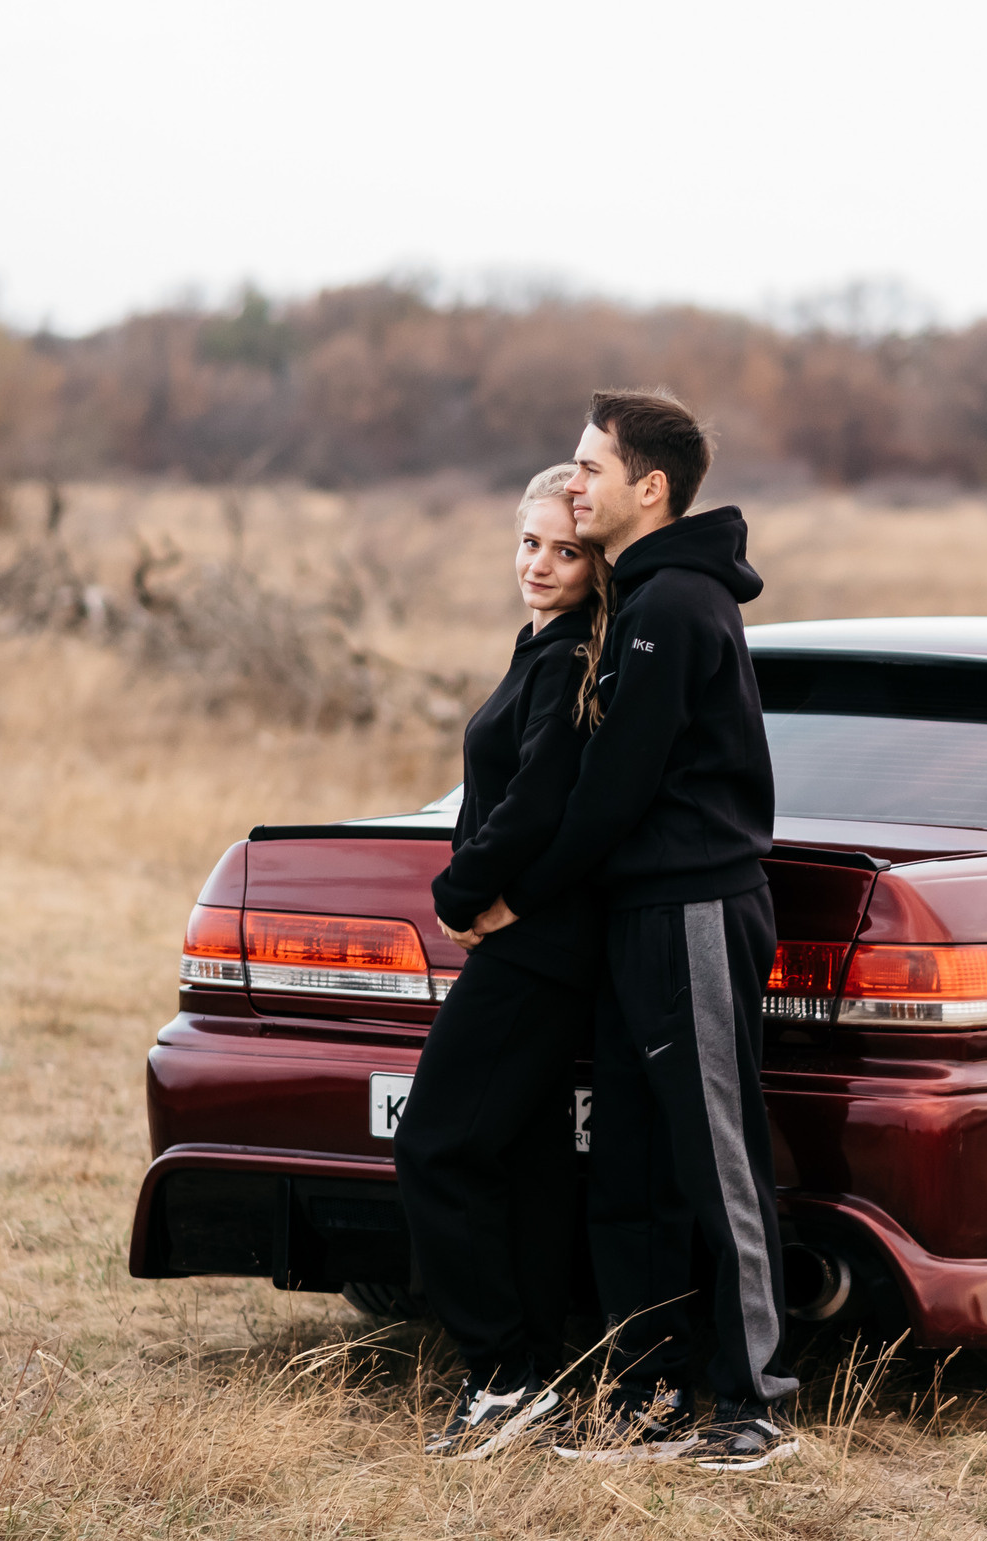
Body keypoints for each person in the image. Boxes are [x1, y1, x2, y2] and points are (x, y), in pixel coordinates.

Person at [461, 387, 799, 1471]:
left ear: (648, 489)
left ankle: (757, 1404)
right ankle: (648, 1389)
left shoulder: (679, 606)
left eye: (590, 469)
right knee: (632, 1162)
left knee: (713, 1151)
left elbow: (611, 790)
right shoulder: (636, 599)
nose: (573, 483)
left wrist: (516, 895)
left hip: (695, 905)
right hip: (632, 913)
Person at [398, 463, 609, 1461]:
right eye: (529, 543)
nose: (539, 565)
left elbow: (537, 801)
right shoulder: (542, 647)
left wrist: (456, 889)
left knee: (436, 1143)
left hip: (536, 949)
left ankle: (499, 1376)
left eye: (566, 551)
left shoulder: (572, 658)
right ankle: (528, 1376)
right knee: (521, 1160)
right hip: (536, 944)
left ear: (598, 562)